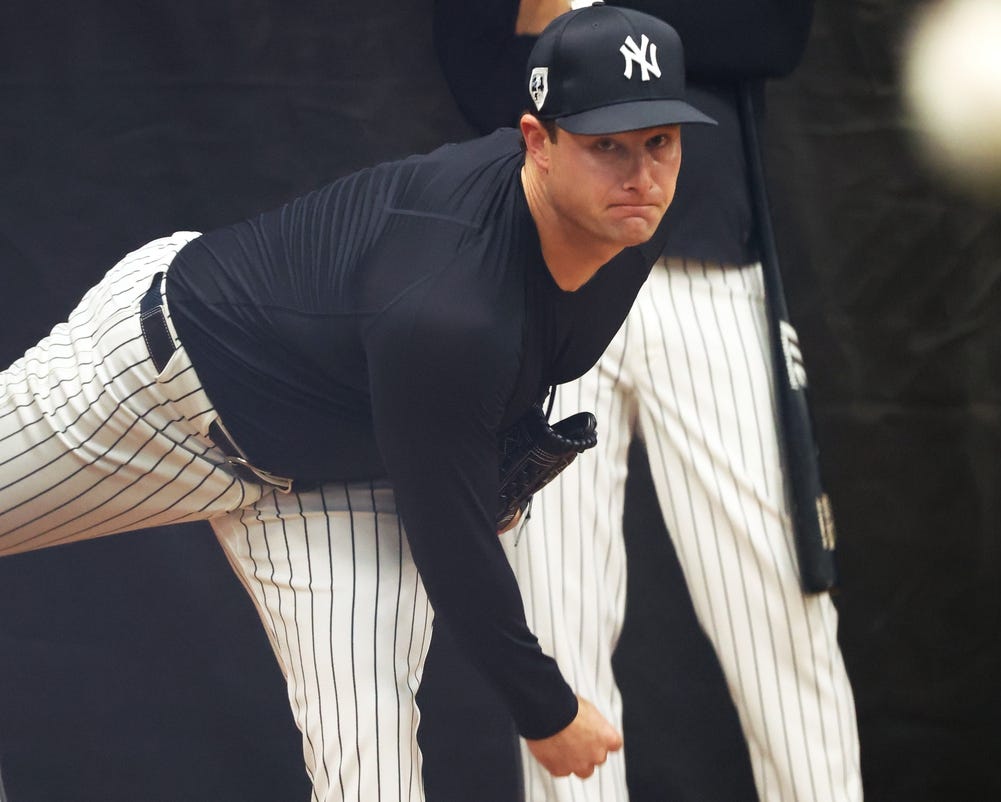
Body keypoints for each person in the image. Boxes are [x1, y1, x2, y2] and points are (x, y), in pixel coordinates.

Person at [0, 6, 718, 801]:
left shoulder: (630, 218)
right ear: (537, 142)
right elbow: (453, 541)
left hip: (335, 474)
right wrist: (545, 711)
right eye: (606, 144)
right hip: (155, 390)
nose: (641, 173)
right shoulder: (448, 305)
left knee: (371, 768)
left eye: (659, 141)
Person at [434, 1, 864, 800]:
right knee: (559, 629)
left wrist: (580, 16)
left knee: (780, 620)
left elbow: (775, 30)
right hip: (549, 273)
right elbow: (477, 75)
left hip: (705, 265)